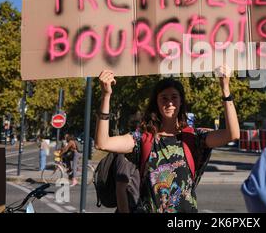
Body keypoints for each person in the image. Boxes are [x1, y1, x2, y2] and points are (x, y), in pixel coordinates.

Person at [95, 65, 240, 213]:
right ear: (156, 103)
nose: (169, 103)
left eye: (174, 97)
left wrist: (225, 89)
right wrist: (106, 95)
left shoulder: (195, 138)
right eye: (164, 98)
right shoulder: (142, 139)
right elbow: (102, 143)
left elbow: (232, 134)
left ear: (181, 102)